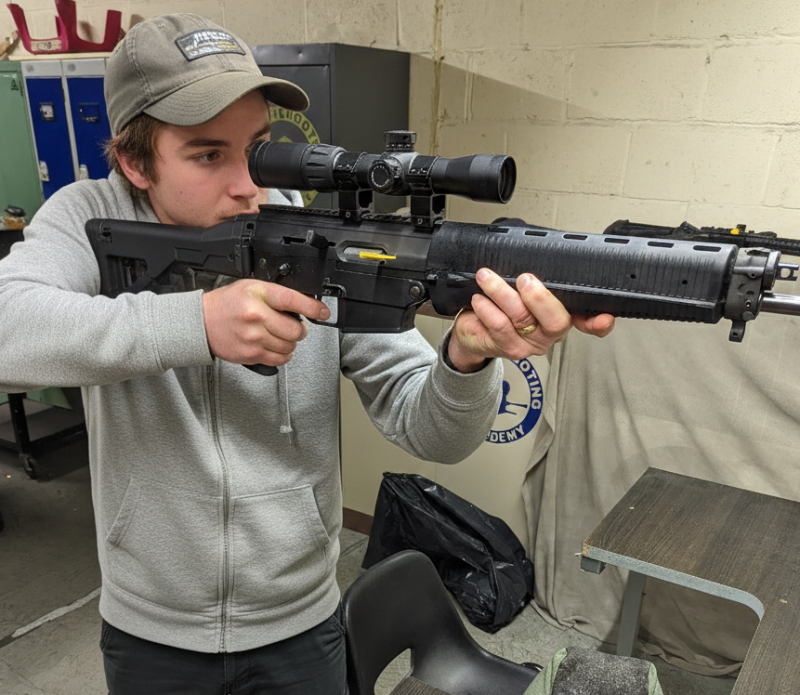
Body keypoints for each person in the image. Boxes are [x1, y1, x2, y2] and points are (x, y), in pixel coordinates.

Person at [0, 13, 614, 695]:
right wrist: (196, 322)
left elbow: (432, 432)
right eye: (209, 155)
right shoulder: (85, 216)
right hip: (153, 633)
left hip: (302, 622)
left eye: (260, 148)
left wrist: (467, 358)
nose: (248, 185)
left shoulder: (311, 234)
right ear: (134, 162)